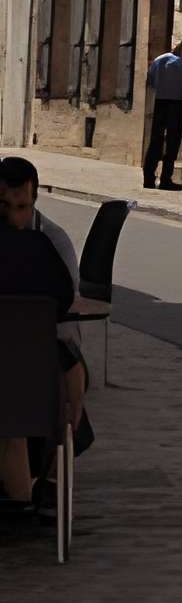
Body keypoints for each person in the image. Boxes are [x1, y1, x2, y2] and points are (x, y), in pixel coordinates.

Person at [0, 156, 87, 446]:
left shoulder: (53, 240)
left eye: (22, 207)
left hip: (38, 348)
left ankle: (53, 473)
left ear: (35, 201)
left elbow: (64, 304)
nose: (15, 217)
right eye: (6, 207)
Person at [0, 216, 76, 508]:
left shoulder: (45, 240)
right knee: (69, 370)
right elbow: (65, 300)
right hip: (27, 389)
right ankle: (51, 478)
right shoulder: (41, 244)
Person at [144, 36, 182, 190]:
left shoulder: (159, 60)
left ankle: (148, 177)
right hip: (176, 103)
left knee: (156, 141)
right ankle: (166, 178)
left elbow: (151, 79)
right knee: (172, 143)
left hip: (160, 101)